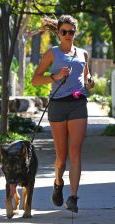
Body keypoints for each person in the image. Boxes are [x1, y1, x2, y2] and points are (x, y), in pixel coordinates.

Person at [32, 15, 94, 213]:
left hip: (78, 104)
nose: (68, 35)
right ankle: (58, 183)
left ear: (75, 33)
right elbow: (35, 80)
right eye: (64, 32)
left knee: (75, 152)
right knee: (62, 156)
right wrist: (55, 76)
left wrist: (90, 82)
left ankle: (73, 197)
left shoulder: (83, 54)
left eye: (71, 32)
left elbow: (87, 77)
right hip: (57, 106)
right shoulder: (52, 53)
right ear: (58, 33)